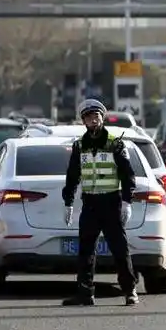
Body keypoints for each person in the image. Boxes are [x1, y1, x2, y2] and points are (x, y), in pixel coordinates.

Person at [61, 98, 139, 307]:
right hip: (90, 204)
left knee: (120, 249)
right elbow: (73, 176)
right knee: (86, 250)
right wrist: (68, 202)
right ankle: (85, 293)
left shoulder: (115, 143)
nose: (93, 120)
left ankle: (130, 290)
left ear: (102, 118)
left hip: (111, 202)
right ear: (83, 121)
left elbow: (127, 174)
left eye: (96, 116)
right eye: (89, 117)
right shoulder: (79, 146)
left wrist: (127, 201)